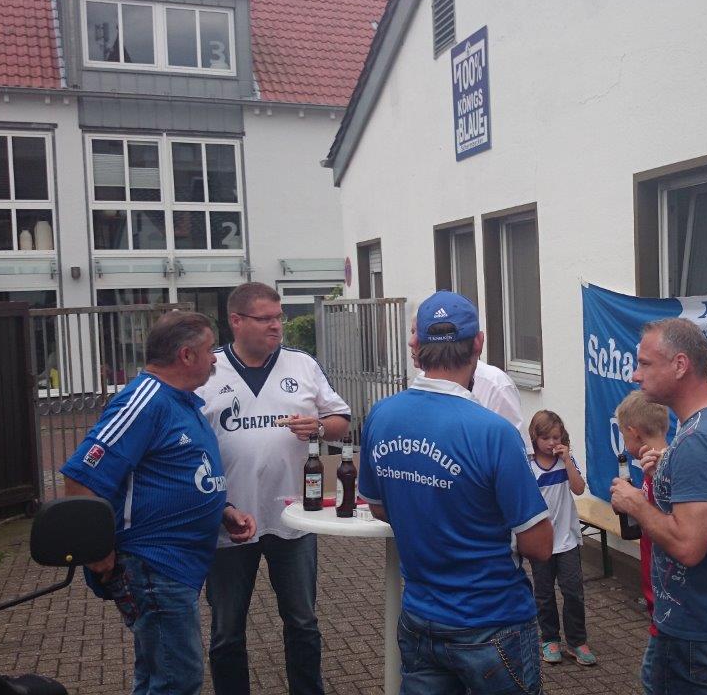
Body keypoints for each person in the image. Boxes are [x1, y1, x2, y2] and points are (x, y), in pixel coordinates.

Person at [361, 291, 553, 694]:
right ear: (478, 344)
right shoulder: (494, 432)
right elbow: (539, 546)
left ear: (417, 347)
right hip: (492, 619)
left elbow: (378, 507)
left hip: (420, 617)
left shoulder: (381, 415)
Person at [60, 310, 257, 695]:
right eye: (208, 350)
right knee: (177, 679)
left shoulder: (183, 401)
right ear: (186, 355)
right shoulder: (144, 401)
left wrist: (222, 510)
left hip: (175, 569)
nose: (215, 359)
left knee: (158, 675)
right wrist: (96, 549)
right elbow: (80, 476)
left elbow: (179, 473)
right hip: (153, 566)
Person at [195, 282, 352, 695]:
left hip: (294, 517)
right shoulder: (208, 370)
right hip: (230, 520)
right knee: (227, 630)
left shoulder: (302, 364)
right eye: (265, 318)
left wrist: (319, 427)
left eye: (278, 317)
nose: (277, 326)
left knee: (302, 621)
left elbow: (341, 421)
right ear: (236, 321)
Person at [609, 318, 707, 695]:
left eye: (645, 364)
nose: (635, 375)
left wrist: (636, 504)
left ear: (680, 365)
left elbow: (688, 546)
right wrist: (665, 477)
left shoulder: (698, 440)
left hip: (697, 635)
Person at [527, 410, 597, 667]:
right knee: (544, 594)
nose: (551, 443)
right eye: (545, 438)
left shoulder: (566, 462)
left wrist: (567, 460)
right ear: (535, 438)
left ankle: (577, 641)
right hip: (541, 542)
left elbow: (578, 488)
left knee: (573, 591)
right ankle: (550, 638)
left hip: (567, 540)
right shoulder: (528, 466)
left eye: (556, 437)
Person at [407, 314, 529, 451]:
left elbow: (519, 449)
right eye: (412, 332)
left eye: (419, 333)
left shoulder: (495, 383)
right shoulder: (420, 382)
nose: (411, 342)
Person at [613, 391, 671, 678]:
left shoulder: (669, 467)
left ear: (634, 432)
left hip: (670, 605)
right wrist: (632, 501)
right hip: (658, 600)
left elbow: (676, 526)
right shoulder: (652, 466)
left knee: (654, 678)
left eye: (624, 436)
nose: (625, 443)